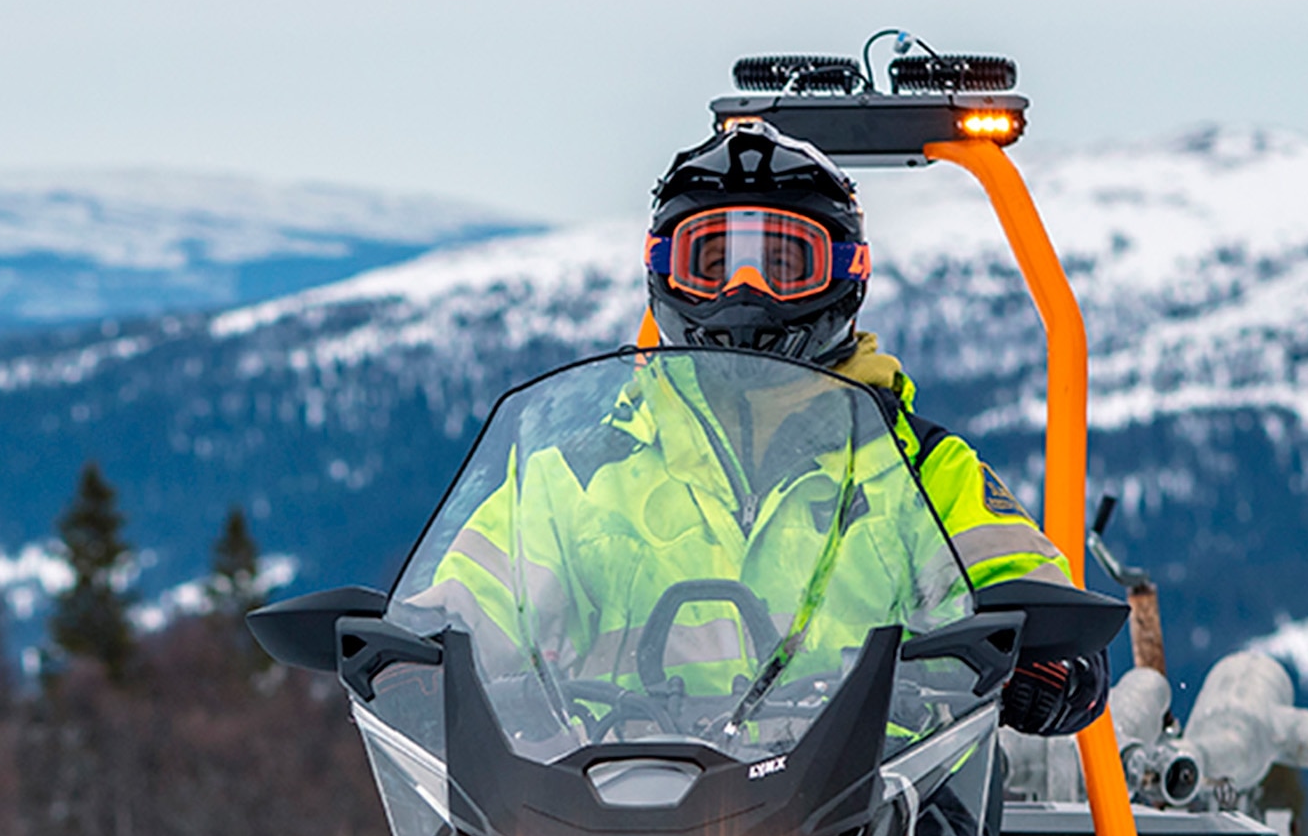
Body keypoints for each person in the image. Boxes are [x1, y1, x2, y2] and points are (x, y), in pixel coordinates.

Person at [425, 120, 1113, 742]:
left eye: (784, 264)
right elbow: (470, 601)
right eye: (713, 262)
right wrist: (411, 658)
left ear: (844, 275)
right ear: (666, 272)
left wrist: (1045, 660)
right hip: (619, 815)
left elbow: (1017, 579)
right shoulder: (575, 479)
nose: (744, 290)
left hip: (883, 822)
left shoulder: (920, 470)